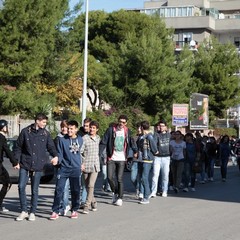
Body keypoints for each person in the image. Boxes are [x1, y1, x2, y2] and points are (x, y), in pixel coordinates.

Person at [14, 113, 58, 221]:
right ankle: (24, 211)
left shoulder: (46, 134)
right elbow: (18, 147)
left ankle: (32, 212)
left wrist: (55, 156)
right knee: (21, 186)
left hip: (38, 165)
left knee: (34, 189)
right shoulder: (25, 131)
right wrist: (16, 161)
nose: (45, 124)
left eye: (45, 122)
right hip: (25, 163)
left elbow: (51, 147)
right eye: (43, 122)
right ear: (37, 121)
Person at [100, 114, 137, 206]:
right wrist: (99, 153)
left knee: (119, 179)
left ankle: (120, 197)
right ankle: (115, 192)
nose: (121, 124)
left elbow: (131, 142)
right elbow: (104, 141)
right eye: (120, 122)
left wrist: (135, 150)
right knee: (109, 177)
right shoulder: (111, 130)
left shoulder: (128, 131)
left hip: (121, 158)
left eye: (123, 122)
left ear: (126, 123)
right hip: (111, 157)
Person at [50, 120, 83, 220]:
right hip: (63, 168)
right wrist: (57, 159)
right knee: (59, 189)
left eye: (71, 129)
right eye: (68, 128)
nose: (69, 130)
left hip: (76, 169)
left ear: (76, 129)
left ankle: (74, 210)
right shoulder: (62, 140)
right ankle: (55, 211)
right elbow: (59, 153)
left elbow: (82, 153)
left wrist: (83, 163)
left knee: (75, 190)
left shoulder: (80, 140)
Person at [81, 121, 101, 214]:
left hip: (95, 166)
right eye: (91, 127)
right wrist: (82, 163)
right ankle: (94, 201)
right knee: (87, 186)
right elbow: (80, 152)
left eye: (94, 128)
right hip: (86, 165)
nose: (92, 129)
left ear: (97, 129)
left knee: (91, 185)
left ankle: (86, 205)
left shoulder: (98, 138)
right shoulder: (84, 138)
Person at [0, 119, 20, 212]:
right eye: (6, 126)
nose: (8, 128)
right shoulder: (1, 138)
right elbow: (7, 151)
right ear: (3, 127)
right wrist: (15, 162)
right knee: (7, 183)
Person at [137, 121, 158, 204]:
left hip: (148, 159)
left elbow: (154, 147)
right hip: (142, 158)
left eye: (140, 127)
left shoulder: (149, 136)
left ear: (142, 128)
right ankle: (145, 194)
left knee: (144, 178)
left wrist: (155, 151)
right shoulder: (143, 136)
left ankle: (146, 196)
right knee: (142, 178)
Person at [54, 120, 71, 216]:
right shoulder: (57, 138)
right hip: (60, 166)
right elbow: (54, 151)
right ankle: (64, 205)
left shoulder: (71, 138)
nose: (64, 129)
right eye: (63, 127)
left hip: (70, 166)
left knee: (65, 187)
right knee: (60, 187)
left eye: (66, 127)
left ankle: (64, 206)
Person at [151, 120, 171, 198]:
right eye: (160, 126)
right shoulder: (156, 135)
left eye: (163, 126)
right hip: (157, 158)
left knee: (165, 175)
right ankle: (153, 191)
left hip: (166, 157)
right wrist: (155, 151)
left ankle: (164, 190)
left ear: (166, 127)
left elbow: (172, 145)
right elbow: (153, 143)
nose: (161, 127)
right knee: (155, 175)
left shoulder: (169, 135)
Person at [78, 117, 92, 209]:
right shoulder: (79, 134)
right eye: (84, 125)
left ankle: (84, 201)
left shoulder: (93, 134)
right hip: (79, 161)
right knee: (80, 183)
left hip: (89, 162)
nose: (86, 127)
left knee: (85, 184)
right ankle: (81, 201)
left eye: (87, 126)